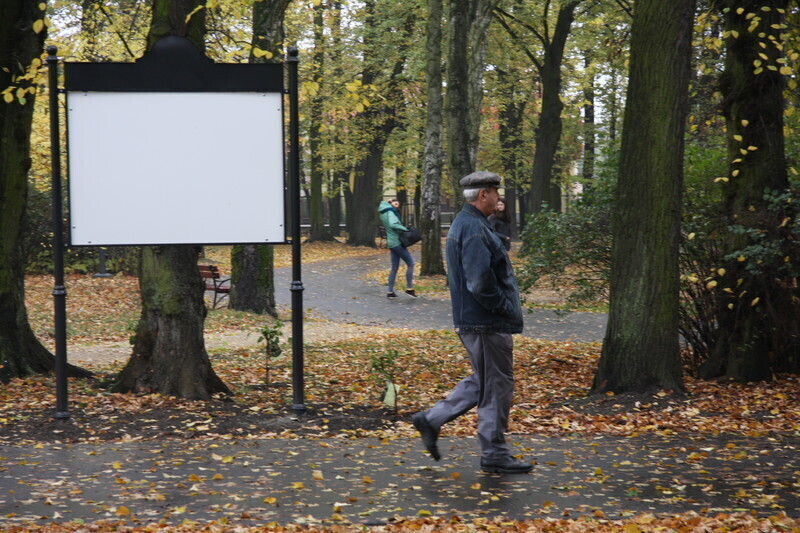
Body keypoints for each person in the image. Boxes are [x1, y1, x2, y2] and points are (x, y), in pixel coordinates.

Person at [411, 171, 531, 474]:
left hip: (477, 321)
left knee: (485, 380)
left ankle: (432, 419)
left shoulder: (470, 224)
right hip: (486, 322)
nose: (499, 198)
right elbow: (480, 283)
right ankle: (494, 452)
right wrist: (504, 308)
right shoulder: (474, 229)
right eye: (495, 192)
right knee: (497, 386)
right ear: (483, 195)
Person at [378, 198, 417, 298]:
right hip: (396, 242)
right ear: (390, 204)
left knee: (394, 267)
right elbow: (393, 224)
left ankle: (390, 292)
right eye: (395, 204)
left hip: (391, 242)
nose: (397, 206)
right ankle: (409, 289)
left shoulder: (384, 212)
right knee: (411, 264)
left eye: (398, 204)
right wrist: (405, 229)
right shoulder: (390, 212)